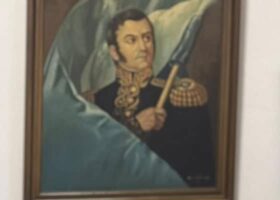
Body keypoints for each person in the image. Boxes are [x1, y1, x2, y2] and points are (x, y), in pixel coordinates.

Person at [85, 7, 215, 187]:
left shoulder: (178, 97)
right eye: (132, 40)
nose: (143, 47)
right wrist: (136, 126)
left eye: (147, 38)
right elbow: (90, 164)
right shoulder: (96, 102)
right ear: (114, 52)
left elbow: (198, 172)